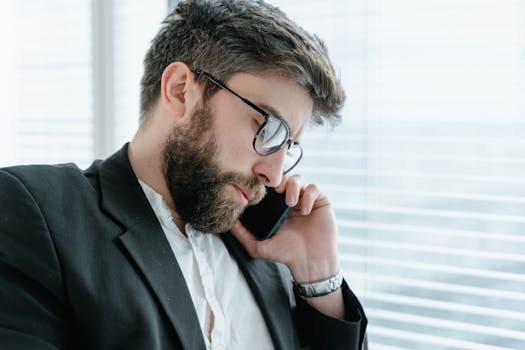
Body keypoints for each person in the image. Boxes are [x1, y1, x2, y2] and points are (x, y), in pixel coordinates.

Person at [0, 0, 367, 349]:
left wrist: (319, 277)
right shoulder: (37, 211)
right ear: (180, 91)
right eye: (267, 128)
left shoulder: (273, 250)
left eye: (288, 145)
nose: (273, 175)